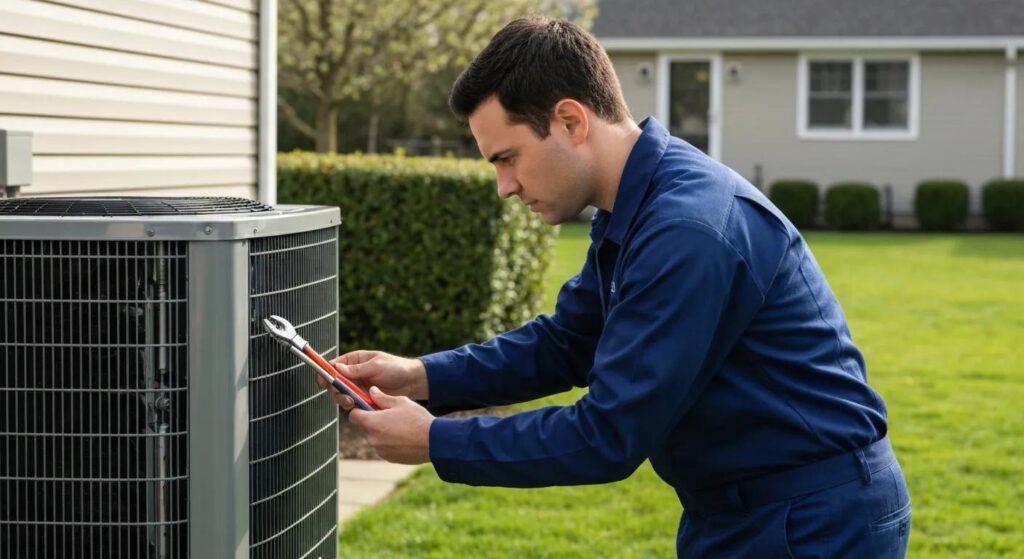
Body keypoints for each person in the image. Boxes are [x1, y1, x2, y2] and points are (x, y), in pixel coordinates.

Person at [320, 16, 911, 558]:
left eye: (508, 158)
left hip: (812, 521)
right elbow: (569, 343)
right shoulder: (637, 205)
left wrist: (437, 442)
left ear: (571, 121)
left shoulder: (688, 227)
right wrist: (420, 376)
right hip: (743, 511)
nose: (504, 186)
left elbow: (610, 434)